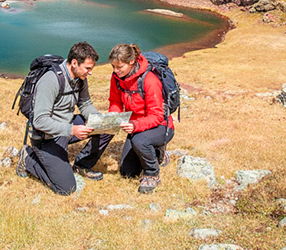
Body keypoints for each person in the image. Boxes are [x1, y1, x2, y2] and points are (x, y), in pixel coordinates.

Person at [16, 41, 112, 195]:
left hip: (66, 127)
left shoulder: (80, 78)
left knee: (105, 127)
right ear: (74, 63)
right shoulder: (51, 80)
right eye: (88, 68)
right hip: (46, 137)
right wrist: (72, 130)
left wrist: (98, 120)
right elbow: (39, 121)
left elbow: (85, 103)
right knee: (66, 189)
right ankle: (28, 158)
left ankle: (82, 164)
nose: (90, 72)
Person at [107, 43, 174, 194]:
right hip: (136, 127)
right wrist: (114, 116)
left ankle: (152, 173)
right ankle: (153, 152)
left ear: (131, 62)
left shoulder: (149, 80)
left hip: (161, 126)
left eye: (119, 67)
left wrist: (135, 126)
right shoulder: (117, 77)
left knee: (140, 141)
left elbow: (157, 116)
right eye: (113, 66)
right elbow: (115, 101)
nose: (115, 71)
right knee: (127, 172)